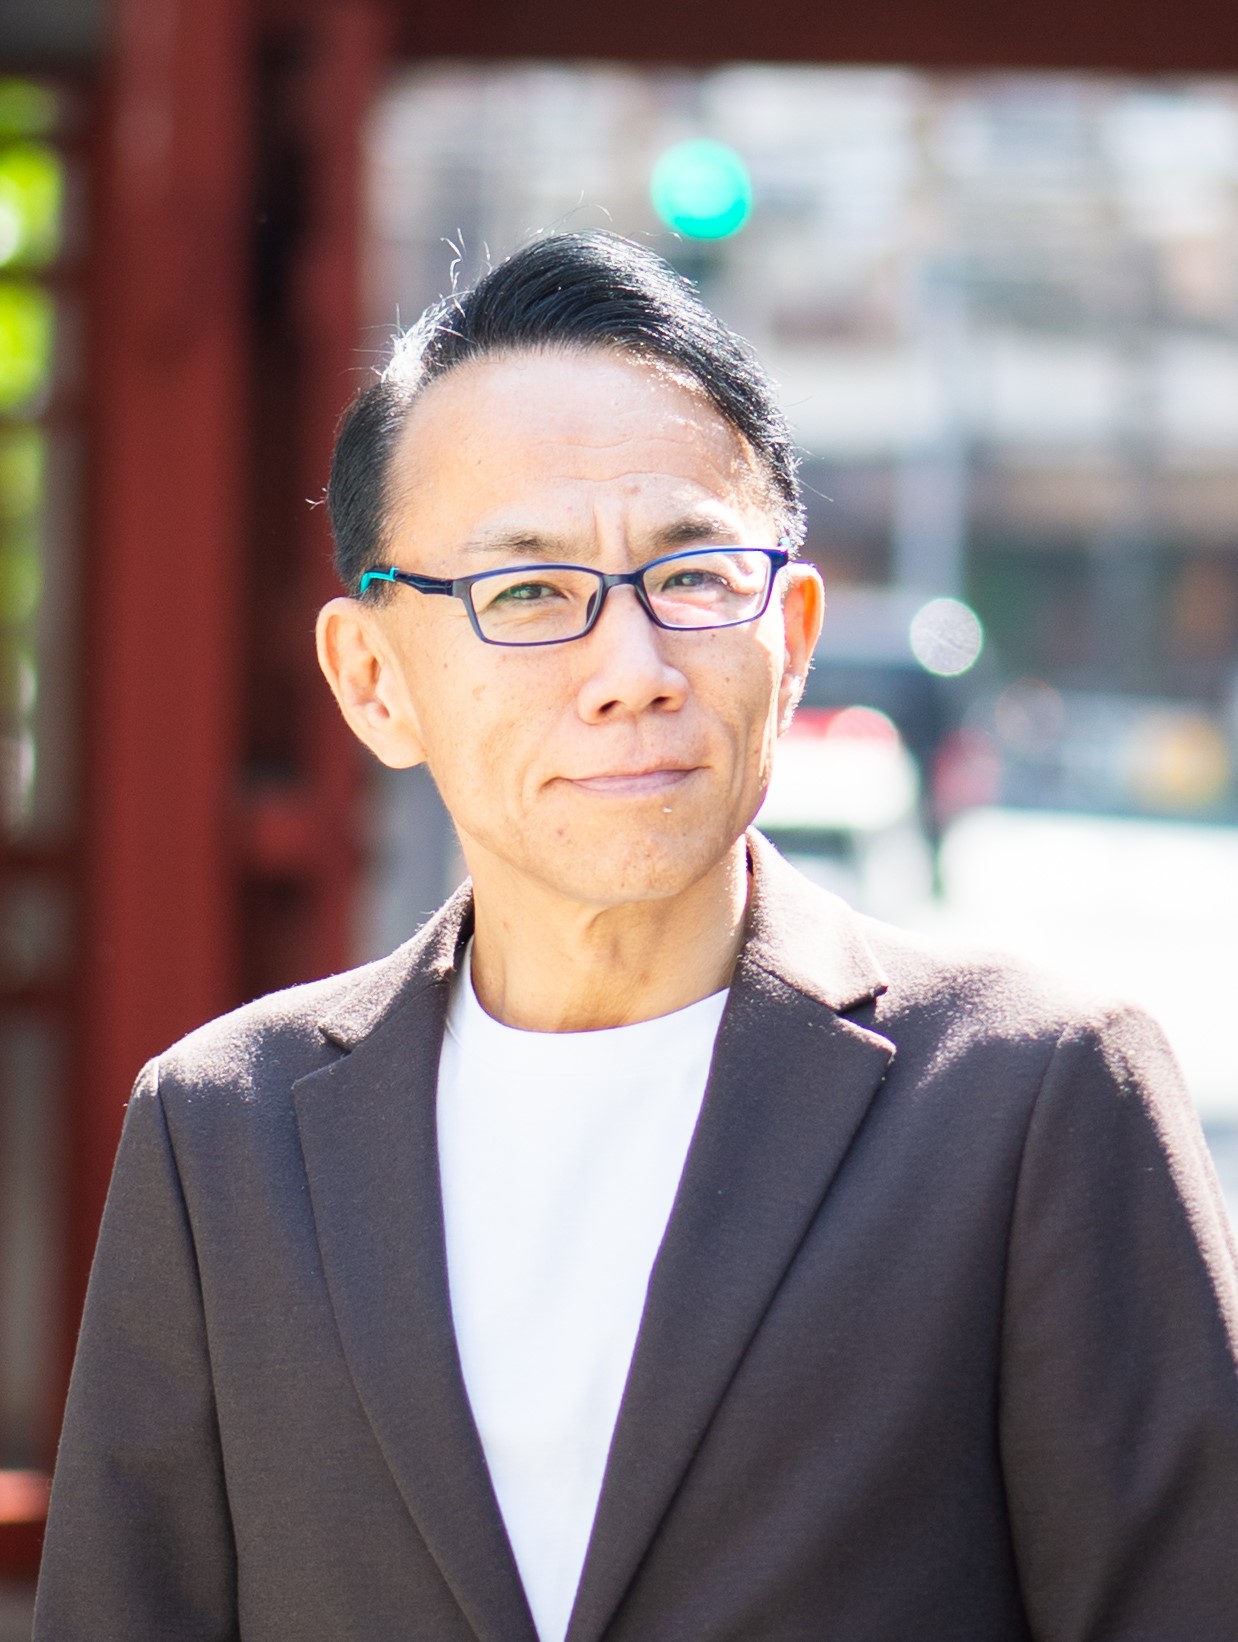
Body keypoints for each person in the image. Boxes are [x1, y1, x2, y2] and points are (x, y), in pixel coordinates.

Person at [35, 233, 1238, 1641]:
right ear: (373, 680)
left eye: (695, 576)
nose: (633, 672)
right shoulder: (223, 1134)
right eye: (528, 592)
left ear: (790, 636)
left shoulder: (1033, 1097)